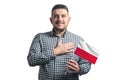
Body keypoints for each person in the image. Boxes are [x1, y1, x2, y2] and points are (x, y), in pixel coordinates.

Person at [27, 4, 91, 80]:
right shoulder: (40, 37)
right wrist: (55, 52)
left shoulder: (80, 40)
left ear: (69, 19)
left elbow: (87, 64)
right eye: (56, 16)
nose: (60, 19)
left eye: (63, 16)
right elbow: (31, 60)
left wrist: (79, 69)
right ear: (51, 20)